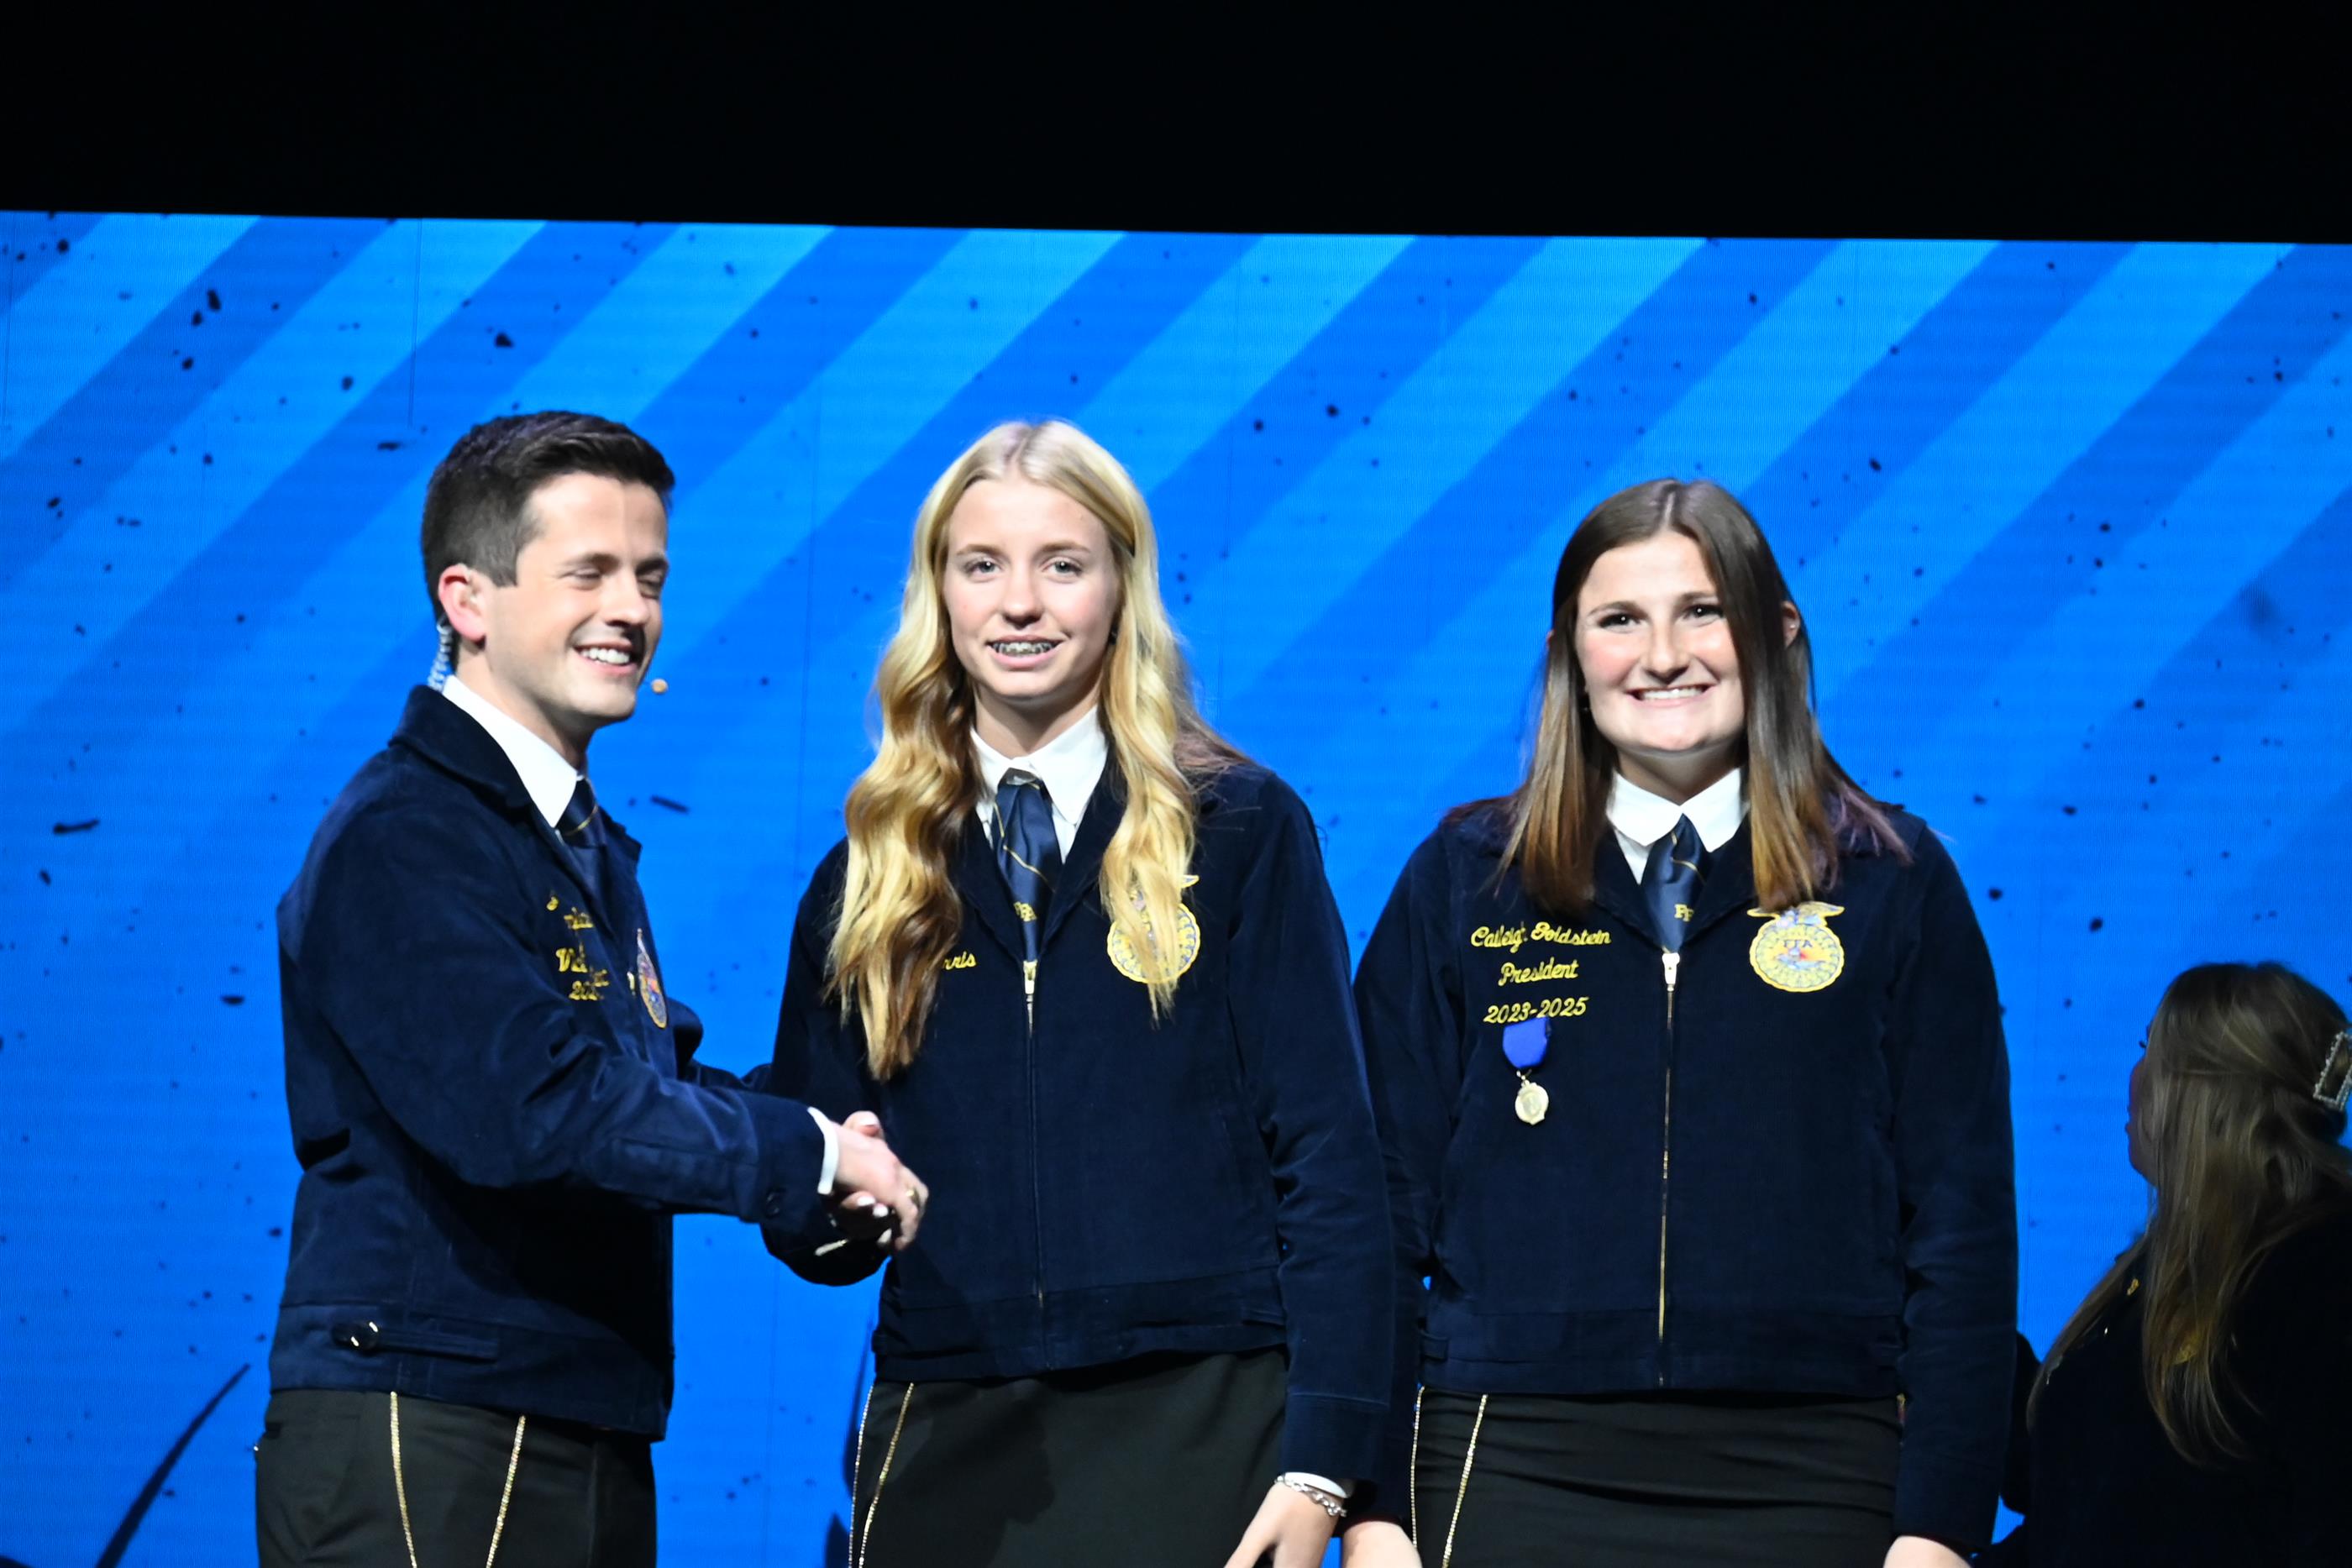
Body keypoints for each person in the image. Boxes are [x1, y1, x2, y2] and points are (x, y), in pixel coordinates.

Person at [256, 412, 924, 1568]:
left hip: (567, 1417)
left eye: (649, 576)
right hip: (434, 1427)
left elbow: (643, 1080)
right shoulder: (406, 833)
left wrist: (830, 1153)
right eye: (589, 572)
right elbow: (540, 1106)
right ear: (468, 600)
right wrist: (809, 1154)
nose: (631, 608)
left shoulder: (569, 837)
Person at [1349, 478, 2016, 1567]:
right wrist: (1371, 1502)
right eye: (1620, 619)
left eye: (1702, 611)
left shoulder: (1892, 882)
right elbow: (1374, 1210)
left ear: (1776, 630)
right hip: (1511, 1457)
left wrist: (1941, 1524)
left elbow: (1962, 1225)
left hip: (1817, 1467)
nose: (1663, 655)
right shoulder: (1467, 880)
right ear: (1568, 653)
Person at [764, 419, 1395, 1568]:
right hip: (951, 1420)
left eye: (1062, 563)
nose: (1020, 602)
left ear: (1121, 589)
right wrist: (824, 1196)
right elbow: (821, 1224)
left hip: (1207, 1412)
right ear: (937, 594)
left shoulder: (1240, 830)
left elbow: (1331, 1160)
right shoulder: (868, 873)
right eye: (982, 564)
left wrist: (1325, 1461)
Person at [1980, 962, 2352, 1565]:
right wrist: (1954, 1341)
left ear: (2208, 1090)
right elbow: (2081, 1491)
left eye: (2149, 1050)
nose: (2135, 1075)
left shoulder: (2316, 1271)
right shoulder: (2173, 1266)